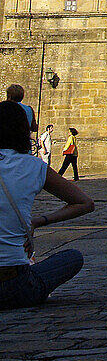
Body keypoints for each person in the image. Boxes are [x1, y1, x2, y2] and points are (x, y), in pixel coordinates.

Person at [0, 101, 94, 308]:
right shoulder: (33, 166)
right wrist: (38, 221)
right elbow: (85, 203)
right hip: (17, 286)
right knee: (72, 258)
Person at [5, 86, 36, 151]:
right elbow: (34, 128)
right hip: (25, 146)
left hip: (7, 147)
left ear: (9, 96)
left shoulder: (5, 108)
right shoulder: (29, 109)